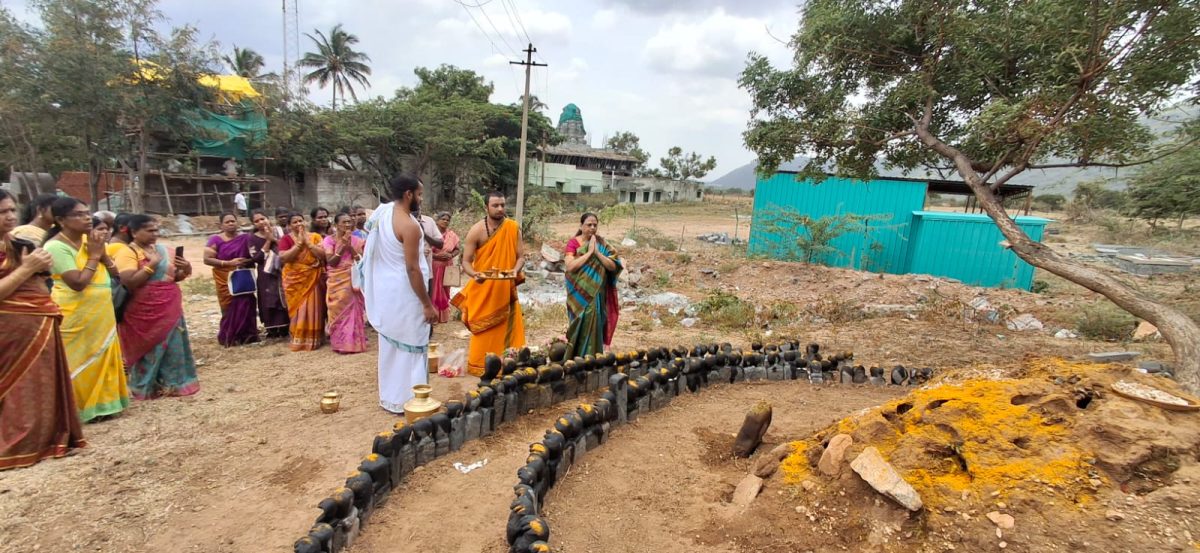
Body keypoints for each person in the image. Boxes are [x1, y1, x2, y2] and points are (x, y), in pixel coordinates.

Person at [0, 189, 87, 470]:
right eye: (2, 212)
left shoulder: (20, 244)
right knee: (17, 388)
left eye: (12, 209)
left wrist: (36, 271)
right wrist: (27, 269)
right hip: (9, 333)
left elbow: (40, 283)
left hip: (38, 323)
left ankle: (44, 440)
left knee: (42, 385)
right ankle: (16, 444)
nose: (10, 216)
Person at [43, 199, 130, 422]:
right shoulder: (56, 247)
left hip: (101, 311)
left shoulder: (89, 240)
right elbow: (78, 283)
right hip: (75, 311)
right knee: (76, 358)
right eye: (79, 214)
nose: (87, 218)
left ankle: (104, 405)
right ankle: (80, 409)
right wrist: (94, 256)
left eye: (87, 213)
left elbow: (115, 274)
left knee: (103, 355)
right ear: (61, 220)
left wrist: (102, 255)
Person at [361, 174, 437, 413]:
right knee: (412, 343)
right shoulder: (410, 226)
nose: (421, 199)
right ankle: (412, 400)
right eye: (419, 194)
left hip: (385, 292)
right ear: (408, 194)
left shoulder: (382, 213)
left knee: (391, 348)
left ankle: (391, 397)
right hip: (406, 294)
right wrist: (427, 304)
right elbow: (412, 269)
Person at [113, 214, 199, 399]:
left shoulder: (163, 250)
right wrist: (151, 265)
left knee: (173, 343)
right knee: (148, 345)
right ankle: (147, 385)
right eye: (149, 230)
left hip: (169, 305)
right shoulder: (127, 253)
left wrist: (186, 268)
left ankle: (174, 383)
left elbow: (175, 277)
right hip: (143, 309)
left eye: (156, 230)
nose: (154, 234)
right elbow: (129, 282)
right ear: (134, 232)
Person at [451, 191, 527, 377]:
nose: (500, 209)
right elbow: (466, 262)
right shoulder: (476, 230)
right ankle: (480, 366)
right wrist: (475, 274)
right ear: (486, 207)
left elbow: (521, 257)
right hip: (483, 288)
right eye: (495, 205)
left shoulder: (512, 228)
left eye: (502, 205)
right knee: (483, 329)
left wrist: (515, 271)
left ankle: (509, 365)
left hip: (505, 288)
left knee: (509, 329)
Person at [563, 212, 623, 358]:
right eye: (589, 224)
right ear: (581, 226)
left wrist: (597, 253)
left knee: (596, 319)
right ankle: (574, 356)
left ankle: (593, 355)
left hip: (597, 291)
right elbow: (570, 267)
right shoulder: (573, 243)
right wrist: (589, 253)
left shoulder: (602, 244)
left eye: (595, 225)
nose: (592, 228)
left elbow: (613, 266)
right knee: (579, 321)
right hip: (578, 292)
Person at [204, 213, 259, 347]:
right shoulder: (215, 240)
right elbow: (207, 259)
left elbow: (254, 255)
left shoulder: (245, 238)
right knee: (229, 305)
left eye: (233, 221)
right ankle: (230, 336)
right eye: (227, 222)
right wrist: (228, 263)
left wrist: (246, 261)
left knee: (246, 302)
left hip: (242, 277)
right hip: (225, 278)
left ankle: (248, 335)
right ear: (221, 225)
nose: (231, 224)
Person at [279, 213, 326, 351]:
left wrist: (309, 244)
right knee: (299, 308)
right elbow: (284, 258)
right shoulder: (286, 239)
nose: (299, 224)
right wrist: (299, 244)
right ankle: (299, 338)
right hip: (294, 279)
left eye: (301, 221)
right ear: (289, 226)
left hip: (312, 277)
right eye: (295, 222)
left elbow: (323, 255)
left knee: (313, 307)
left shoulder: (315, 237)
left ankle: (315, 339)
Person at [322, 212, 367, 354]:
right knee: (337, 310)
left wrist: (350, 246)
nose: (347, 225)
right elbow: (331, 262)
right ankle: (340, 344)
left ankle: (354, 344)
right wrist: (342, 246)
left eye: (349, 222)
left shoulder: (357, 240)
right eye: (344, 222)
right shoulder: (329, 240)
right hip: (337, 280)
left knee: (354, 310)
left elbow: (360, 260)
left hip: (352, 278)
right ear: (336, 225)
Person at [248, 210, 290, 338]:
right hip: (265, 273)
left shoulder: (281, 231)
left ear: (268, 218)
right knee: (268, 299)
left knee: (283, 297)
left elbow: (288, 249)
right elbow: (256, 258)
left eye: (263, 219)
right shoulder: (252, 238)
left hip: (282, 270)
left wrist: (274, 239)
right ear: (253, 224)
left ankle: (286, 327)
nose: (261, 222)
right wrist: (268, 241)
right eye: (257, 221)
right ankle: (272, 329)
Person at [431, 211, 461, 323]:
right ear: (437, 220)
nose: (445, 221)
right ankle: (434, 316)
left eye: (448, 220)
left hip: (448, 266)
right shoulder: (431, 234)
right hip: (434, 265)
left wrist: (451, 255)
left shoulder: (451, 235)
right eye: (443, 219)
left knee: (445, 290)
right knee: (434, 289)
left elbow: (457, 249)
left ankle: (443, 316)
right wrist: (436, 256)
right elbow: (424, 250)